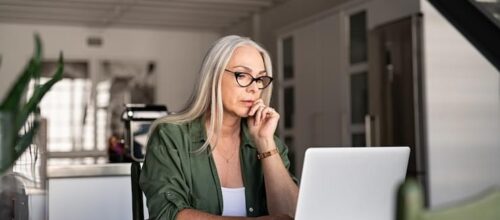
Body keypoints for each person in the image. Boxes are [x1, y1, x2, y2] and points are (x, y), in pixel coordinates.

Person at [140, 35, 298, 220]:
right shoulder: (170, 136)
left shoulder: (270, 142)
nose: (254, 88)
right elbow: (166, 215)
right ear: (213, 75)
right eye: (242, 75)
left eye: (260, 78)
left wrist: (265, 144)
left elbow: (294, 215)